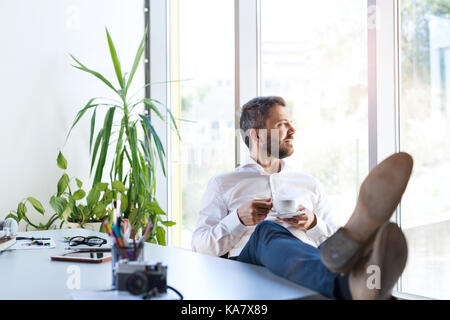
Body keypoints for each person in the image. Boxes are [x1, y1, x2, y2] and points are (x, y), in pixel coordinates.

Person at [191, 96, 413, 300]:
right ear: (256, 135)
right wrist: (238, 220)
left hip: (307, 266)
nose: (293, 130)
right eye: (282, 125)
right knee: (265, 231)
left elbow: (334, 243)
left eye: (290, 123)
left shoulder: (308, 183)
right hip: (249, 265)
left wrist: (313, 223)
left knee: (345, 261)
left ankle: (366, 282)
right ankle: (347, 284)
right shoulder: (224, 183)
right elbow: (200, 246)